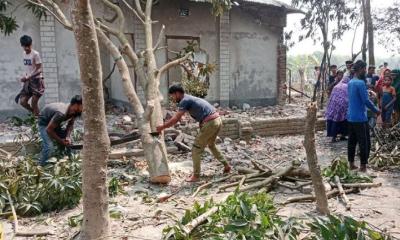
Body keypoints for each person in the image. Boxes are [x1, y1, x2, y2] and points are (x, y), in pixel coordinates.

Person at [156, 84, 231, 182]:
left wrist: (162, 127)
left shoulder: (184, 101)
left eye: (172, 96)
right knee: (211, 145)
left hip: (211, 122)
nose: (172, 98)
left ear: (177, 93)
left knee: (196, 149)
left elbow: (176, 119)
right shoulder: (189, 98)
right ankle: (226, 165)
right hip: (217, 120)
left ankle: (196, 176)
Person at [347, 60, 380, 172]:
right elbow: (366, 101)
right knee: (364, 142)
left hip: (351, 116)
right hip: (360, 117)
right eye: (364, 69)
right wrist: (376, 110)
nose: (365, 71)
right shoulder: (360, 83)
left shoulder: (351, 82)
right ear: (360, 69)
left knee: (351, 141)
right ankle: (363, 166)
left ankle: (351, 164)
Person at [38, 95, 83, 165]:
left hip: (54, 123)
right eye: (83, 105)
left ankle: (71, 163)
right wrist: (61, 141)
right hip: (44, 124)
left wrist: (67, 137)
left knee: (69, 143)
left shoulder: (74, 111)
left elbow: (70, 124)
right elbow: (49, 130)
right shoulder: (61, 113)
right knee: (49, 147)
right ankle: (41, 167)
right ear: (76, 105)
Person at [15, 35, 44, 116]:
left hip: (37, 81)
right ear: (22, 45)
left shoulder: (35, 54)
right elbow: (28, 68)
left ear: (31, 44)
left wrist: (29, 76)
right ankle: (37, 115)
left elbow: (40, 69)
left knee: (34, 103)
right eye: (25, 46)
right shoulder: (24, 53)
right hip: (28, 82)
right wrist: (24, 77)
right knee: (23, 102)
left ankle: (38, 118)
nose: (27, 48)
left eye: (28, 46)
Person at [325, 71, 348, 142]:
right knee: (343, 120)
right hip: (343, 106)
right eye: (339, 75)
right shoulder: (346, 86)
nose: (340, 76)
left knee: (335, 120)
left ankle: (334, 137)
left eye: (341, 75)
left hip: (334, 106)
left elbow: (331, 97)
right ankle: (343, 135)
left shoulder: (336, 86)